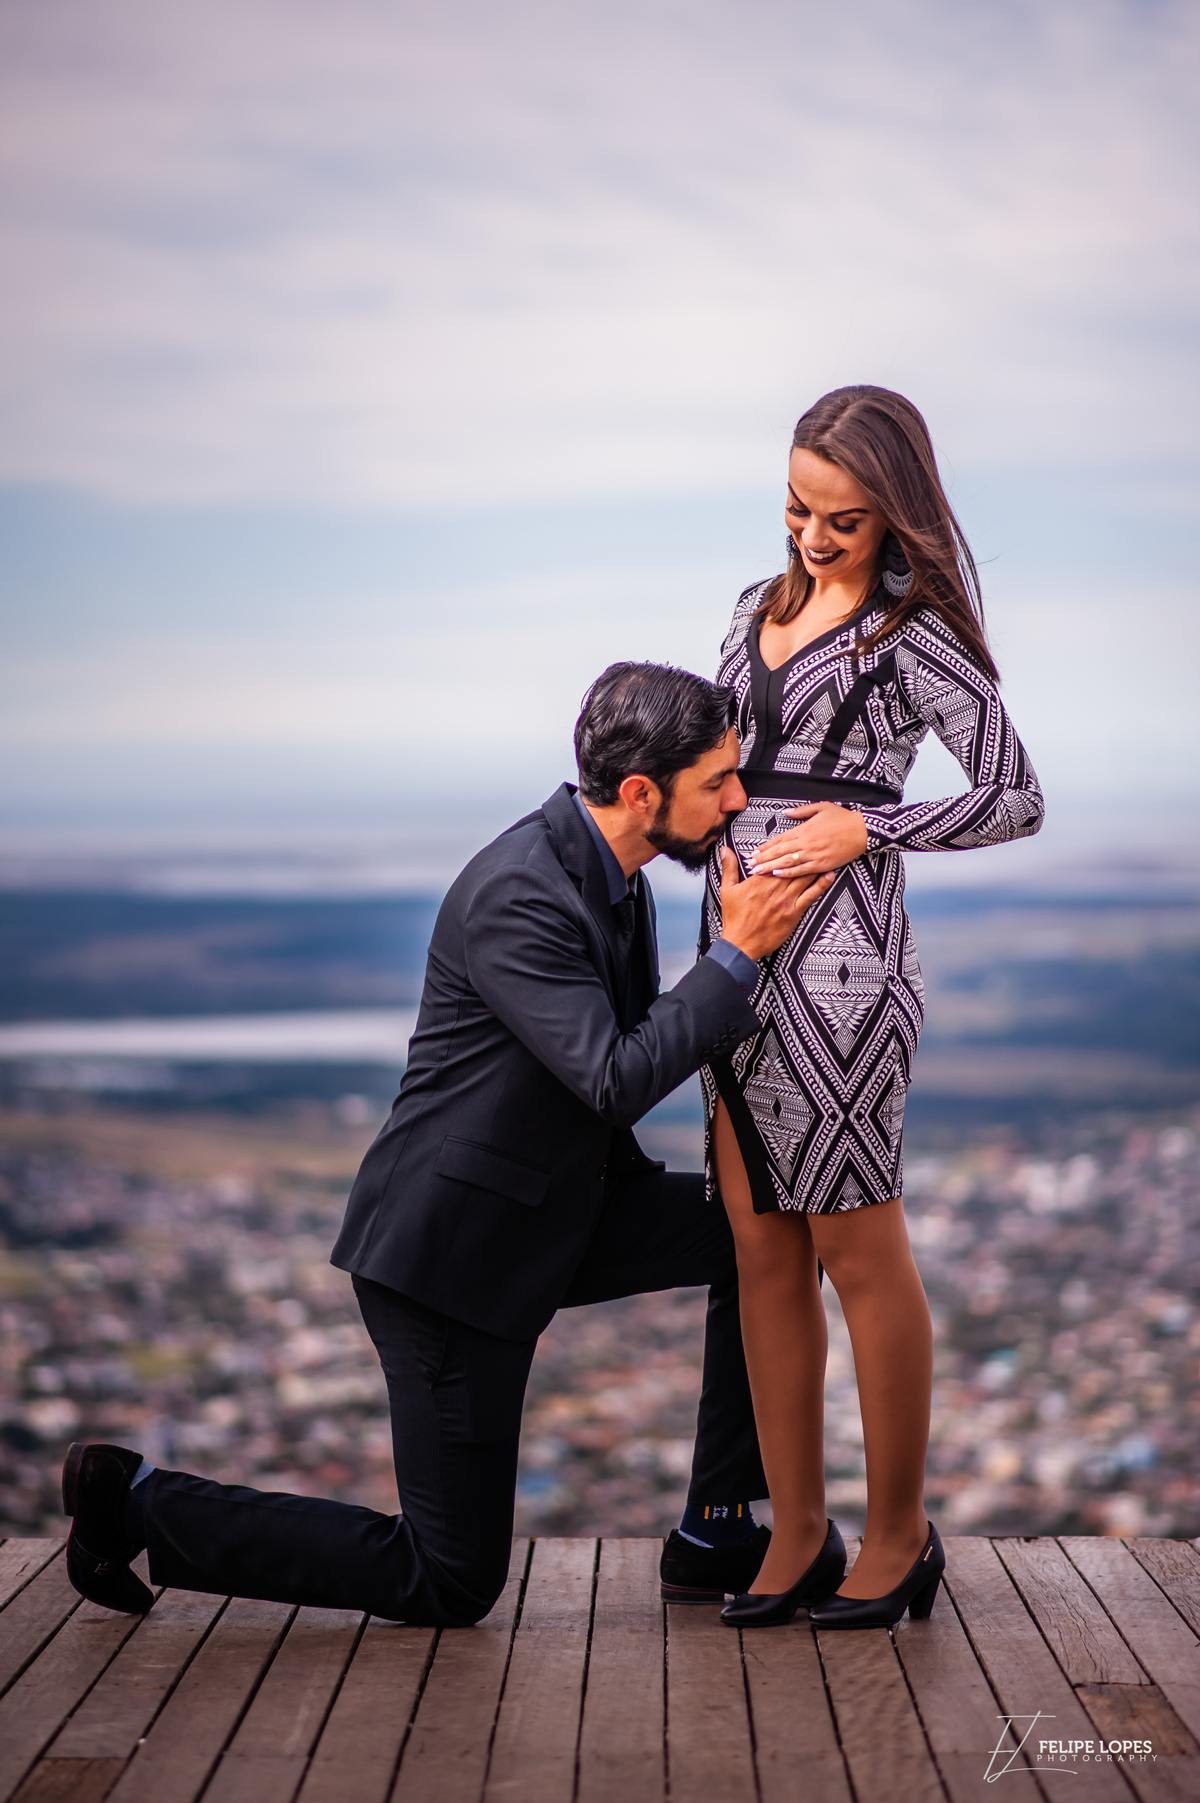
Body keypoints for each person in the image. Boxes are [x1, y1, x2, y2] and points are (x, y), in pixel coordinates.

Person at [62, 662, 834, 1627]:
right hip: (451, 1259)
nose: (739, 797)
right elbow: (613, 1075)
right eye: (718, 779)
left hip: (560, 1207)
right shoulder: (522, 892)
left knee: (764, 1232)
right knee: (448, 1579)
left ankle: (719, 1522)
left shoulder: (617, 878)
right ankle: (133, 1501)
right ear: (642, 793)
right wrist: (740, 955)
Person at [707, 386, 1045, 1630]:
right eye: (796, 507)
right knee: (759, 1247)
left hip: (847, 967)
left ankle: (900, 1535)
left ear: (894, 512)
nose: (811, 536)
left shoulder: (916, 637)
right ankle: (798, 1528)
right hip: (733, 947)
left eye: (842, 519)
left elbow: (1016, 795)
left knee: (856, 1248)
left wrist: (872, 822)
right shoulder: (754, 611)